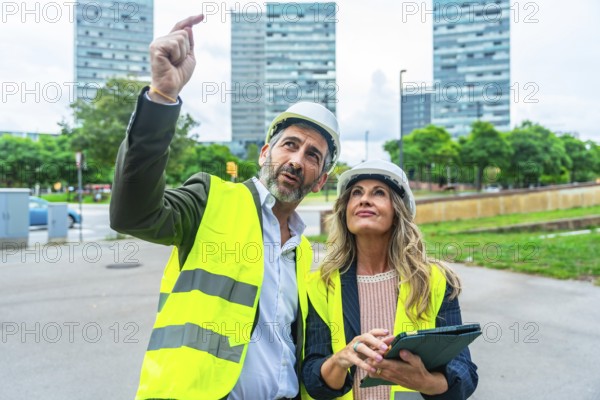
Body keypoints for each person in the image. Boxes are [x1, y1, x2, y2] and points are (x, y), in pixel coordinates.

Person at [109, 14, 342, 400]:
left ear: (319, 180)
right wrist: (162, 99)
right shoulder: (211, 197)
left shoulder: (302, 252)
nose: (297, 160)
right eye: (290, 144)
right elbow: (132, 214)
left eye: (312, 154)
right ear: (266, 153)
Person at [301, 160, 478, 400]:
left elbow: (464, 374)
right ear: (345, 212)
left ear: (397, 212)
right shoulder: (320, 285)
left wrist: (425, 382)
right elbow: (313, 379)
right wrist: (339, 360)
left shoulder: (434, 280)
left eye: (379, 193)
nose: (364, 199)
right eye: (356, 193)